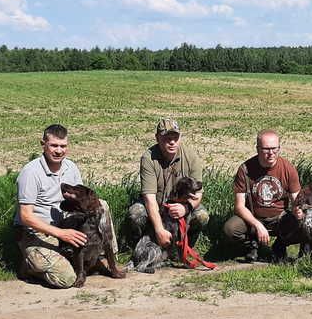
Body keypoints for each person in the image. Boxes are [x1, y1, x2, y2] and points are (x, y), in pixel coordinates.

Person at [14, 124, 117, 288]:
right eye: (54, 145)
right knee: (67, 279)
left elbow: (81, 201)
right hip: (39, 233)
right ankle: (29, 265)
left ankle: (106, 251)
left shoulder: (71, 167)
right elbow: (26, 216)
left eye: (63, 146)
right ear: (43, 144)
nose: (59, 151)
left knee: (101, 205)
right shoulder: (31, 173)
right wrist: (61, 234)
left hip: (65, 226)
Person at [127, 118, 208, 253]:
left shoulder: (191, 156)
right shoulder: (148, 158)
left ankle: (186, 248)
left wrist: (186, 208)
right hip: (157, 205)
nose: (172, 142)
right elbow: (149, 198)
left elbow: (198, 193)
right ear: (157, 138)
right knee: (136, 213)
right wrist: (159, 229)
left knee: (202, 216)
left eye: (175, 137)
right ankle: (142, 249)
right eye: (166, 138)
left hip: (182, 204)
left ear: (180, 137)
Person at [223, 129, 301, 262]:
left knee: (303, 224)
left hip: (279, 218)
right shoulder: (245, 169)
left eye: (274, 149)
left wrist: (298, 210)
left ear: (279, 148)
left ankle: (280, 245)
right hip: (254, 217)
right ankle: (252, 246)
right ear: (257, 149)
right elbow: (239, 207)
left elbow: (297, 199)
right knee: (230, 229)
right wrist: (257, 225)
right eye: (266, 149)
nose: (271, 153)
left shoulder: (288, 168)